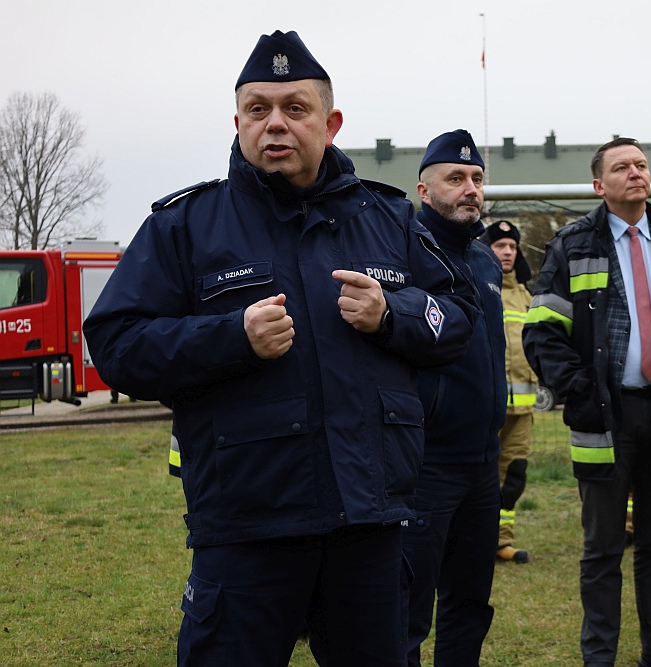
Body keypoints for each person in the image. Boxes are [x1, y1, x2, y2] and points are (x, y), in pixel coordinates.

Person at [83, 30, 476, 667]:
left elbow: (457, 316)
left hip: (368, 524)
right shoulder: (185, 225)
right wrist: (229, 336)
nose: (276, 125)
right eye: (259, 109)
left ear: (332, 122)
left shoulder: (390, 218)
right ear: (237, 121)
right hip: (247, 526)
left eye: (296, 108)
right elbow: (116, 343)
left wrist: (392, 315)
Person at [523, 137, 651, 667]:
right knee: (602, 549)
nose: (636, 172)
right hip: (602, 420)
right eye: (622, 167)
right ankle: (600, 655)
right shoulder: (571, 245)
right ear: (599, 185)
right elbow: (542, 331)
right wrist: (581, 394)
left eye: (641, 164)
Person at [403, 130, 505, 667]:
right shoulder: (404, 252)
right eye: (456, 178)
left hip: (482, 460)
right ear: (424, 188)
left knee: (470, 600)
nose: (471, 189)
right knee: (409, 607)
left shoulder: (487, 260)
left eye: (477, 179)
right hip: (427, 462)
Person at [483, 219, 537, 564]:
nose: (507, 252)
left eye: (512, 247)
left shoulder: (527, 295)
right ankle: (475, 540)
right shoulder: (476, 284)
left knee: (514, 476)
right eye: (500, 245)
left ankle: (502, 541)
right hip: (487, 406)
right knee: (481, 476)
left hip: (524, 410)